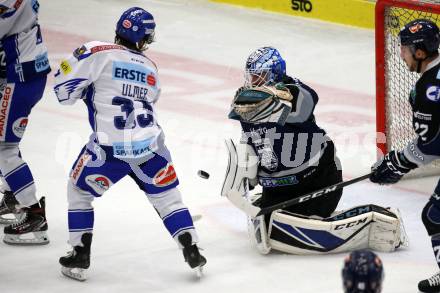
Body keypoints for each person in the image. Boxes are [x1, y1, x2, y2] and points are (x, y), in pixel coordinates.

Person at [53, 7, 206, 281]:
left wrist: (89, 89)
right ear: (142, 38)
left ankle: (79, 256)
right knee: (169, 200)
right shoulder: (150, 67)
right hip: (151, 148)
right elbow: (150, 99)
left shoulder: (95, 51)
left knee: (79, 191)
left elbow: (63, 92)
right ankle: (192, 250)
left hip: (109, 152)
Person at [369, 19, 440, 293]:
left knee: (435, 216)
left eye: (405, 48)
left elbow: (432, 145)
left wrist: (397, 164)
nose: (401, 54)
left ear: (420, 52)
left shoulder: (427, 92)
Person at [0, 0, 50, 245]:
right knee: (4, 140)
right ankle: (14, 196)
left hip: (20, 79)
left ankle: (33, 213)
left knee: (3, 148)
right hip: (21, 72)